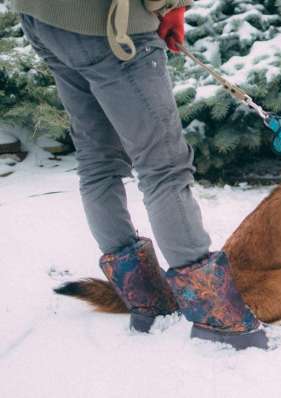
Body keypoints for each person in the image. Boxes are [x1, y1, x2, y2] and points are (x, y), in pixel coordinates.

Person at [11, 0, 267, 349]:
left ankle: (147, 299)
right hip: (110, 25)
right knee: (164, 167)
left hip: (44, 18)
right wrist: (170, 6)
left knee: (98, 157)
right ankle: (216, 316)